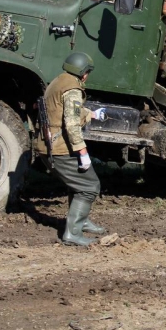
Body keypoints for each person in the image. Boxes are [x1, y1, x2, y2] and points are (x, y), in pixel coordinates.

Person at [36, 52, 108, 246]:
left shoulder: (58, 82)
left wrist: (92, 114)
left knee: (78, 184)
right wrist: (82, 152)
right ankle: (73, 233)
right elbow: (72, 124)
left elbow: (63, 110)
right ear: (84, 73)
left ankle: (81, 221)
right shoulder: (73, 88)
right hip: (60, 147)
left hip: (48, 144)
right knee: (89, 187)